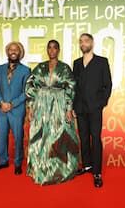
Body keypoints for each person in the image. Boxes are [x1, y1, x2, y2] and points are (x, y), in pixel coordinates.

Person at [25, 40, 79, 185]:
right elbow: (31, 85)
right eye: (49, 47)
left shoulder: (65, 68)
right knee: (40, 135)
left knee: (58, 135)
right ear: (47, 50)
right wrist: (30, 106)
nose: (52, 50)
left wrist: (68, 108)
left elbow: (71, 87)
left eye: (55, 47)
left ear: (58, 50)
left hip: (58, 105)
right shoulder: (40, 67)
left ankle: (60, 170)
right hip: (41, 104)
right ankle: (39, 168)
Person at [73, 33, 112, 188]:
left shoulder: (102, 62)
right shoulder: (76, 63)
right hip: (80, 108)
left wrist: (100, 104)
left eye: (86, 41)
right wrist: (73, 106)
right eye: (81, 41)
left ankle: (97, 172)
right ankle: (87, 165)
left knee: (95, 138)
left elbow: (107, 85)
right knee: (83, 137)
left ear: (92, 43)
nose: (83, 43)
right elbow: (74, 87)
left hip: (95, 108)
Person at [0, 41, 31, 175]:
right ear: (7, 52)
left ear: (20, 53)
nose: (13, 52)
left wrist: (12, 104)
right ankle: (3, 161)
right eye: (11, 50)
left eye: (16, 50)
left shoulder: (25, 70)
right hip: (2, 109)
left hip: (17, 110)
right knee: (2, 136)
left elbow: (26, 92)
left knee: (18, 137)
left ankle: (18, 163)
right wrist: (2, 103)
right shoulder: (0, 68)